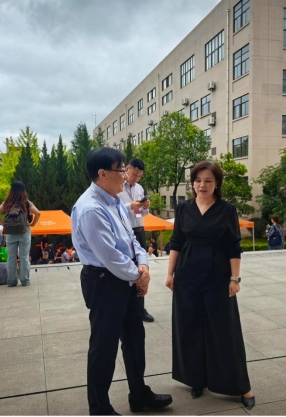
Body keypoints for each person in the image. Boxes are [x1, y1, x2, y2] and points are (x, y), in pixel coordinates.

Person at [72, 147, 172, 416]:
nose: (126, 176)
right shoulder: (91, 208)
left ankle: (139, 395)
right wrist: (139, 276)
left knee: (135, 339)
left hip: (127, 277)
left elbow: (132, 240)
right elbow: (110, 257)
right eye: (121, 170)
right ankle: (100, 408)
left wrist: (143, 266)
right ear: (102, 173)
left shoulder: (114, 201)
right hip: (104, 282)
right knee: (104, 347)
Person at [165, 161, 255, 409]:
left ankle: (241, 387)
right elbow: (176, 241)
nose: (202, 185)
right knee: (189, 329)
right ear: (192, 183)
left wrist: (235, 279)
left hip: (218, 278)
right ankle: (196, 379)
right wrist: (170, 273)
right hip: (187, 277)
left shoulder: (227, 209)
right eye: (197, 180)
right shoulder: (184, 208)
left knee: (224, 332)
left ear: (217, 184)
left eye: (208, 181)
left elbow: (233, 246)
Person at [118, 158, 155, 323]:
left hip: (139, 230)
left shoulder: (139, 188)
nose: (136, 178)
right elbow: (113, 209)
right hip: (125, 231)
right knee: (128, 269)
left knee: (142, 269)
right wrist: (130, 206)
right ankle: (127, 306)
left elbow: (141, 214)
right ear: (127, 169)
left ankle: (141, 307)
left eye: (139, 176)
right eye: (134, 174)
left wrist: (145, 207)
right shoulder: (117, 187)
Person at [0, 181, 41, 287]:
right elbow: (38, 213)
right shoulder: (26, 202)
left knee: (11, 258)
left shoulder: (7, 202)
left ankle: (11, 281)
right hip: (24, 232)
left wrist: (3, 224)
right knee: (24, 257)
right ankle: (25, 281)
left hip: (10, 234)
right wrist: (32, 223)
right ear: (23, 190)